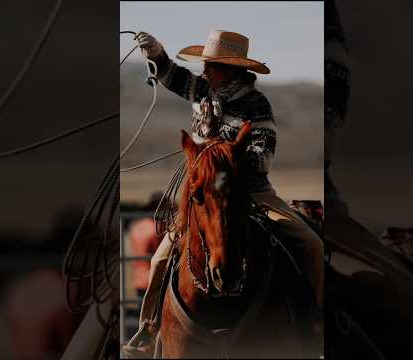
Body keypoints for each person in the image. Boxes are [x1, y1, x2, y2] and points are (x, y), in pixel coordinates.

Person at [123, 29, 324, 357]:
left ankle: (316, 322)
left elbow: (263, 155)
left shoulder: (256, 104)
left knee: (311, 243)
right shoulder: (203, 91)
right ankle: (147, 329)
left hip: (253, 192)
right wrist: (156, 52)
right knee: (161, 257)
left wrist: (223, 158)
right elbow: (173, 77)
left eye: (211, 65)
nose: (205, 71)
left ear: (230, 68)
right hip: (202, 192)